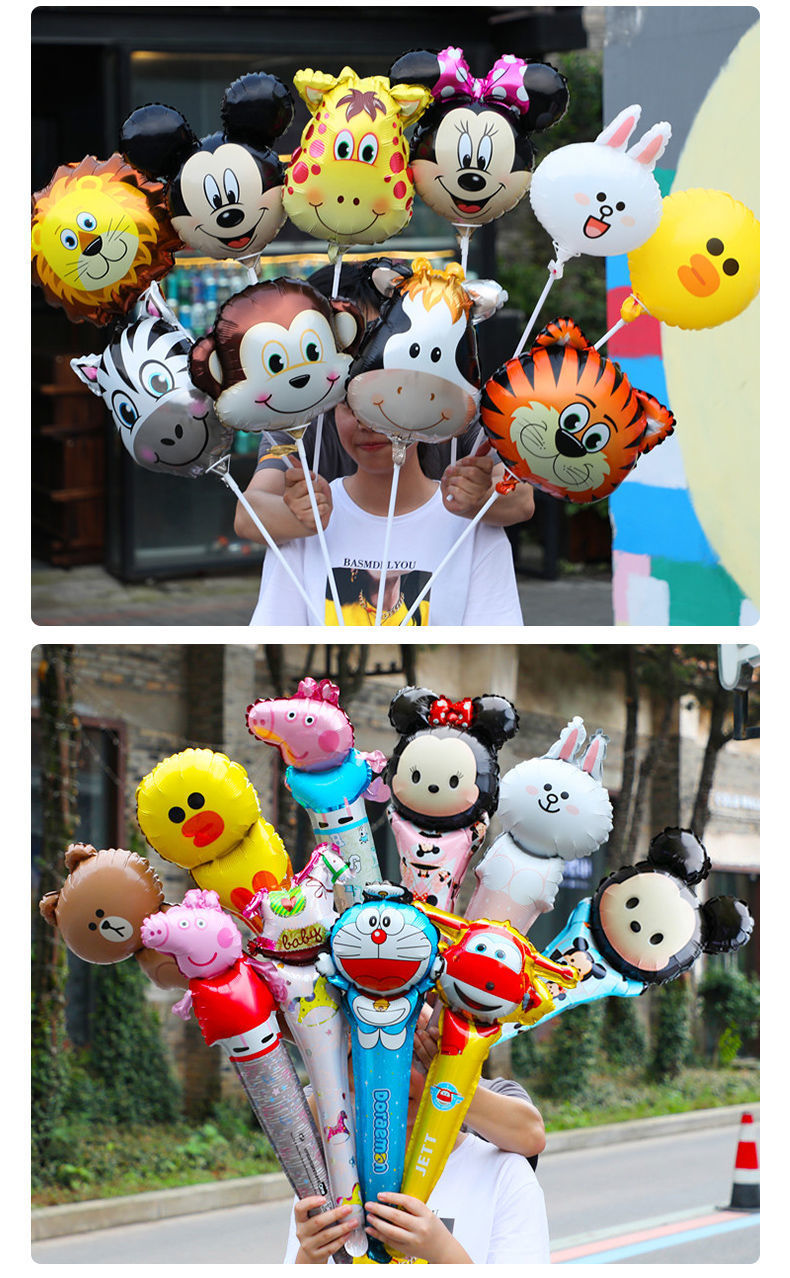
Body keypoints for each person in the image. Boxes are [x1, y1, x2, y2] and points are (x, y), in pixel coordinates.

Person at [283, 1006, 549, 1264]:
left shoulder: (504, 1172)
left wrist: (441, 1251)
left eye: (414, 1055)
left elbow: (531, 1134)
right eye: (377, 1054)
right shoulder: (333, 1176)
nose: (395, 1075)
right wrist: (333, 1057)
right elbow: (296, 1131)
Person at [249, 398, 524, 626]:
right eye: (350, 404)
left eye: (388, 400)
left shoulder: (474, 528)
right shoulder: (301, 524)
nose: (366, 422)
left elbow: (522, 499)